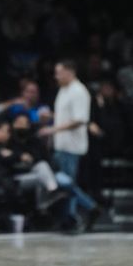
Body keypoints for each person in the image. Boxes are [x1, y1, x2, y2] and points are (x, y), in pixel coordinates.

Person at [39, 59, 99, 231]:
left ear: (70, 72)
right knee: (65, 184)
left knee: (66, 185)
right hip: (61, 143)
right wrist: (51, 117)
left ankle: (89, 208)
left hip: (71, 146)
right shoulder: (63, 90)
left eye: (59, 72)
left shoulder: (79, 91)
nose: (56, 76)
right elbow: (65, 116)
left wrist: (53, 129)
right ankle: (70, 217)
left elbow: (80, 119)